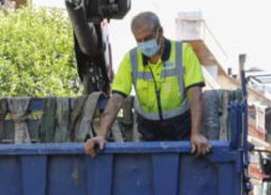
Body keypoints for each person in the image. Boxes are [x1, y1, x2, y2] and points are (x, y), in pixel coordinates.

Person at [83, 12, 209, 157]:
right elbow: (116, 98)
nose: (144, 44)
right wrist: (102, 135)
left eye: (147, 38)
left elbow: (195, 93)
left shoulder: (183, 53)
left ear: (160, 32)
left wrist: (196, 134)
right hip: (148, 131)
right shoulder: (131, 59)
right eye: (139, 40)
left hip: (181, 128)